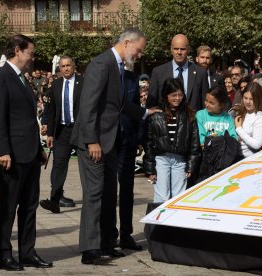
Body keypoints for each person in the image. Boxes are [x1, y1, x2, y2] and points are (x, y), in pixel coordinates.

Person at [71, 27, 159, 265]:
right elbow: (88, 106)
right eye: (139, 50)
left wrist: (145, 113)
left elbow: (118, 104)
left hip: (109, 141)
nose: (139, 56)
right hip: (95, 142)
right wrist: (92, 140)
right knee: (95, 194)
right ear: (127, 42)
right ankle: (90, 249)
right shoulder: (102, 64)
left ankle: (107, 243)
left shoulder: (119, 67)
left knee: (110, 194)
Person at [0, 34, 52, 271]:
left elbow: (28, 118)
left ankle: (27, 252)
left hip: (29, 153)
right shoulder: (1, 77)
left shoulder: (22, 79)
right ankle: (4, 254)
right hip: (12, 156)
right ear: (17, 50)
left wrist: (39, 149)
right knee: (8, 207)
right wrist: (2, 150)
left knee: (30, 207)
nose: (33, 57)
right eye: (30, 52)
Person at [144, 78, 200, 202]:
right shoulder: (156, 114)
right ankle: (159, 221)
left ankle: (174, 221)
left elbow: (194, 143)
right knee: (161, 197)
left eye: (180, 95)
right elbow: (149, 142)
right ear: (166, 95)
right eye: (173, 95)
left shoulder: (189, 115)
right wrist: (150, 168)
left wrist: (190, 165)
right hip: (161, 159)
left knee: (178, 197)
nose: (177, 98)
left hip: (180, 160)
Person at [39, 56, 82, 214]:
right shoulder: (56, 84)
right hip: (62, 131)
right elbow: (51, 110)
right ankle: (54, 201)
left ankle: (95, 198)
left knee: (86, 165)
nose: (65, 69)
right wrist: (50, 133)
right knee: (58, 166)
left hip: (80, 130)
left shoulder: (83, 83)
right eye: (62, 66)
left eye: (68, 65)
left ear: (74, 66)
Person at [116, 69, 145, 250]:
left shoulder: (132, 77)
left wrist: (139, 138)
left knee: (127, 189)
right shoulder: (104, 73)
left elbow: (136, 109)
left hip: (128, 140)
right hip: (108, 141)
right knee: (108, 191)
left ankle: (126, 234)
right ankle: (108, 235)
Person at [146, 34, 209, 111]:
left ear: (188, 50)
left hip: (193, 121)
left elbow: (205, 104)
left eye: (182, 49)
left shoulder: (201, 73)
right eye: (176, 49)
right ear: (171, 49)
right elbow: (151, 105)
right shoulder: (158, 72)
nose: (179, 52)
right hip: (166, 120)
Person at [234, 82, 262, 157]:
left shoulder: (259, 117)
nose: (247, 102)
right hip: (236, 156)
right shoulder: (241, 112)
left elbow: (257, 144)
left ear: (258, 99)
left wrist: (239, 129)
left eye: (251, 99)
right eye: (245, 98)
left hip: (249, 158)